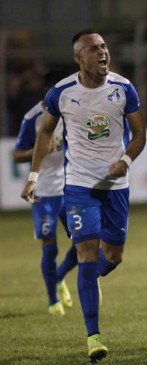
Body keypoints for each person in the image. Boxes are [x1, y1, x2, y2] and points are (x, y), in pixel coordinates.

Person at [20, 29, 146, 362]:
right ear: (79, 58)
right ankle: (94, 337)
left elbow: (140, 135)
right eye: (93, 49)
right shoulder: (61, 93)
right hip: (78, 186)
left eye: (104, 46)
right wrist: (33, 177)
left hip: (115, 186)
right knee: (86, 252)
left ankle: (89, 278)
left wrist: (126, 160)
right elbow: (45, 133)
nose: (102, 52)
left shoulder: (123, 88)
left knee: (113, 255)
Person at [13, 70, 77, 316]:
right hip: (45, 193)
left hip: (72, 186)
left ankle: (59, 277)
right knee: (50, 248)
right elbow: (17, 154)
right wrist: (38, 150)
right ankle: (53, 300)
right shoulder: (34, 117)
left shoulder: (73, 111)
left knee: (86, 242)